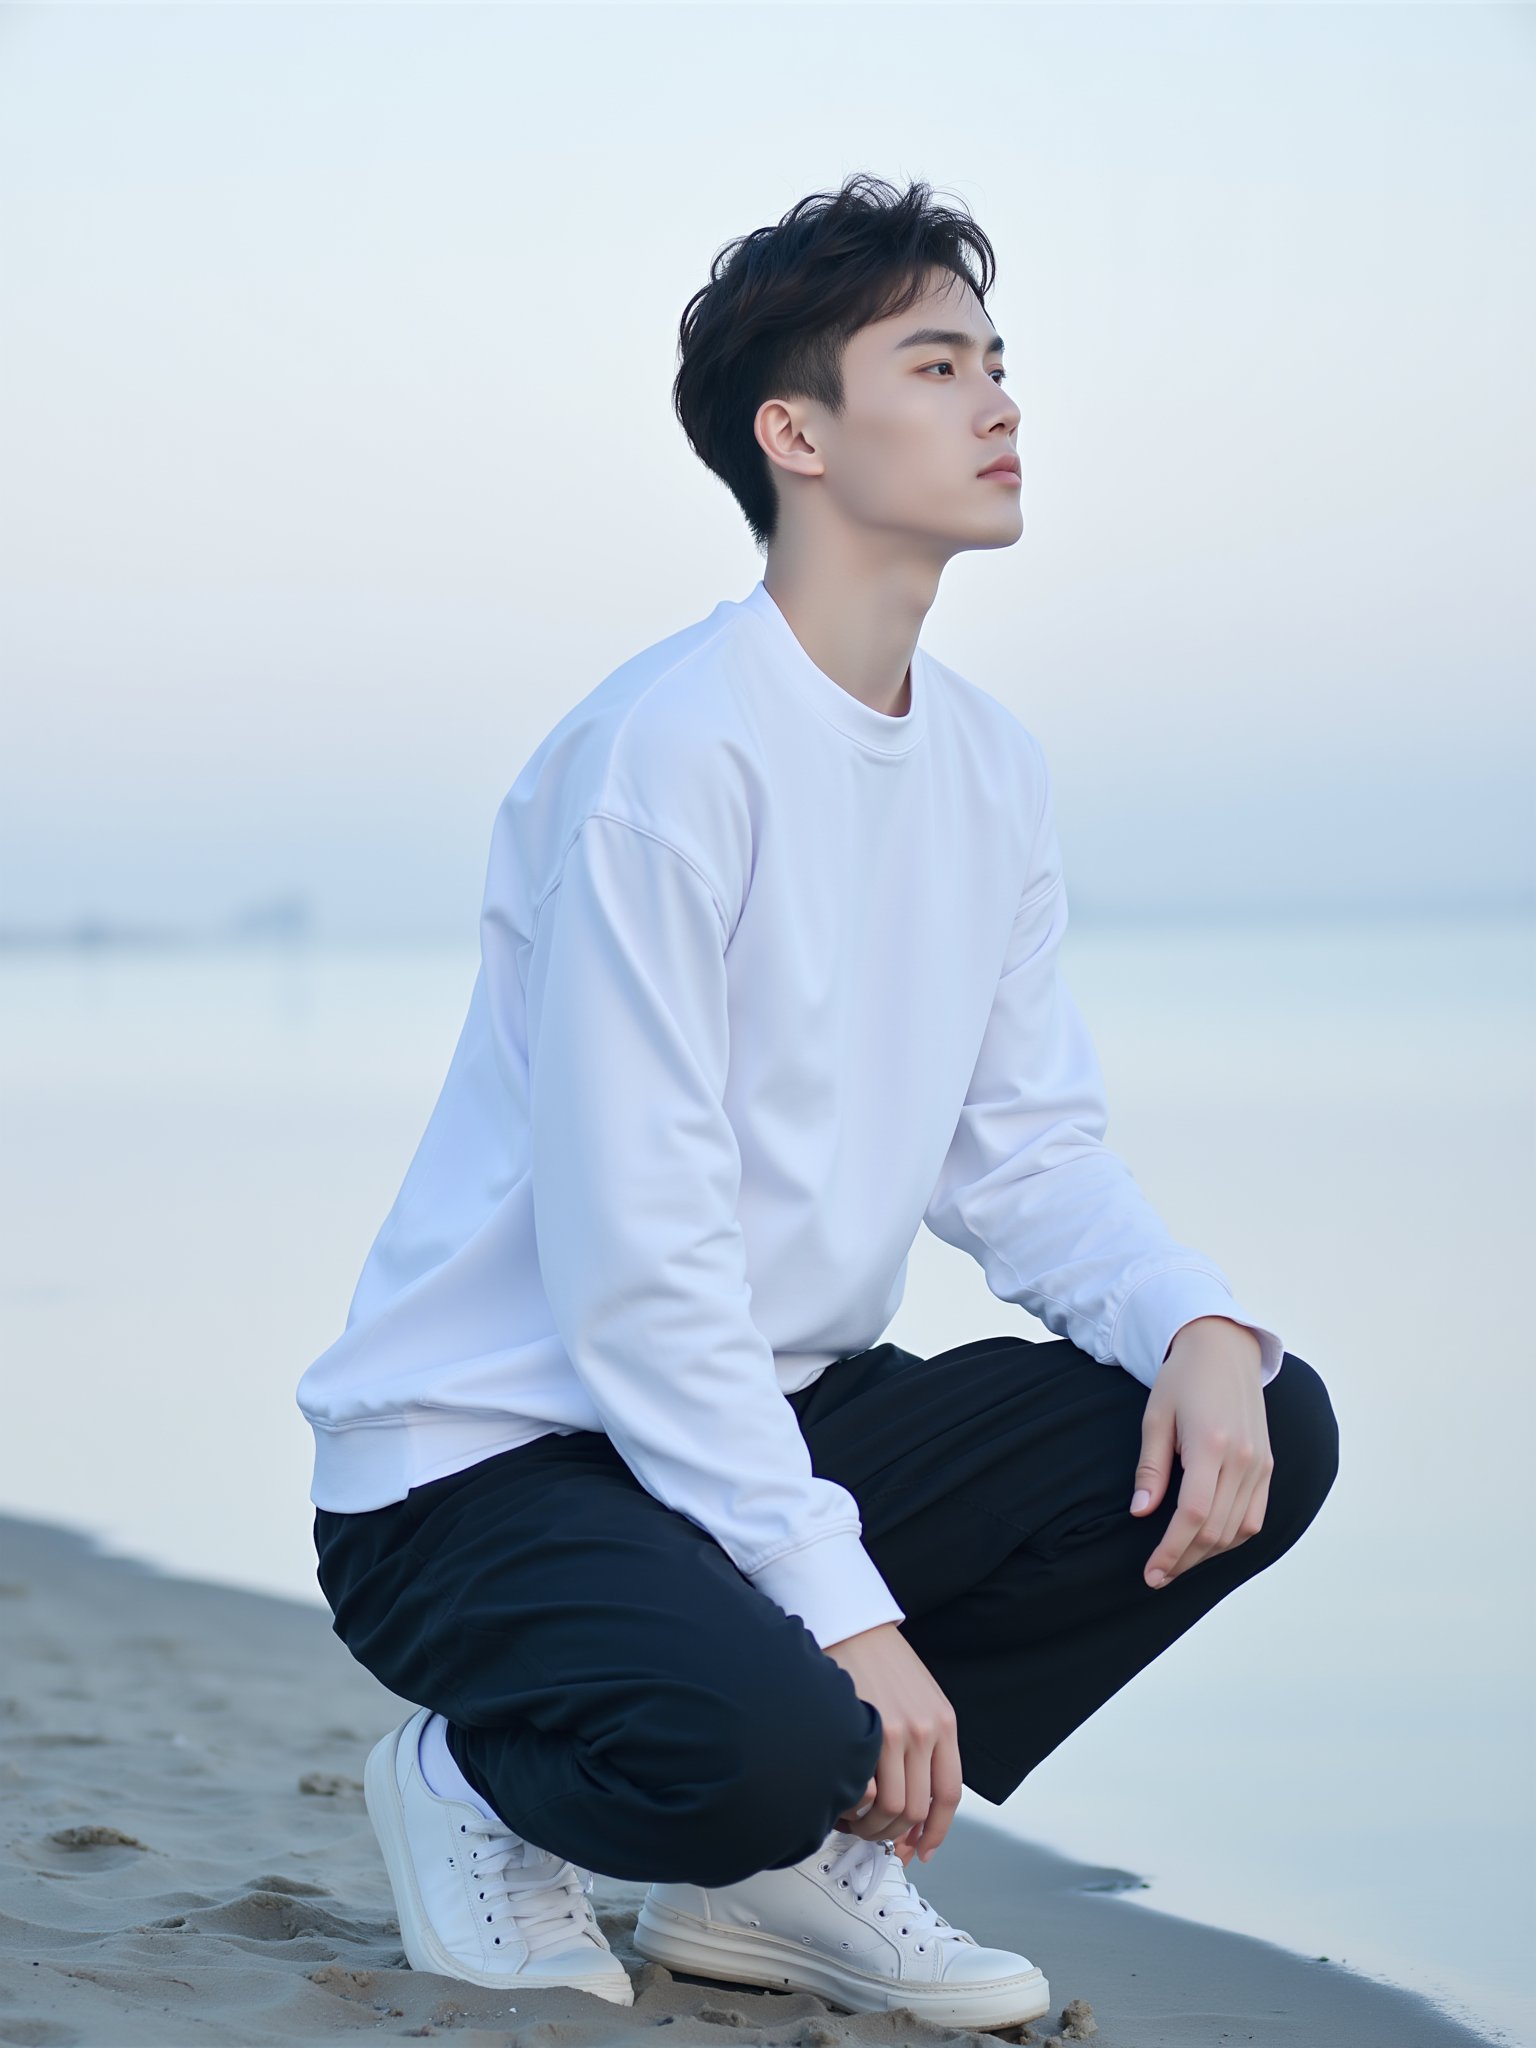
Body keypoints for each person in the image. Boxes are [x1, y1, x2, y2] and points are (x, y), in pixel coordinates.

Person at [297, 172, 1340, 2030]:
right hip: (481, 1472)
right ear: (797, 434)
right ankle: (474, 1783)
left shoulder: (990, 770)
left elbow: (1024, 1155)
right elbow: (640, 1262)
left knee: (1262, 1424)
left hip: (752, 1422)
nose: (1001, 403)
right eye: (937, 364)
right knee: (771, 1729)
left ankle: (797, 1865)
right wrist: (846, 1616)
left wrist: (1193, 1320)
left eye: (997, 362)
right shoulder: (668, 756)